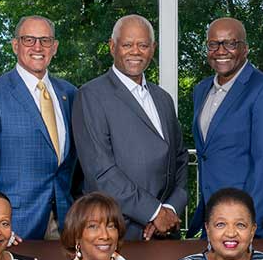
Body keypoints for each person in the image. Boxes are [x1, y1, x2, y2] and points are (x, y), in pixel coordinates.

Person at [72, 14, 188, 241]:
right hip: (118, 231)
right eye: (127, 45)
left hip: (165, 231)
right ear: (112, 47)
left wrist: (170, 210)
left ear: (152, 49)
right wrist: (153, 212)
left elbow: (181, 159)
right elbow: (101, 172)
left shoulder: (163, 98)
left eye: (143, 45)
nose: (135, 51)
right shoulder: (91, 95)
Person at [0, 15, 77, 240]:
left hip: (64, 222)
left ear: (54, 47)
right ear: (15, 46)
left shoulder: (70, 94)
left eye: (45, 40)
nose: (37, 47)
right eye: (28, 40)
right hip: (11, 226)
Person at [189, 17, 263, 238]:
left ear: (245, 49)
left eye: (230, 43)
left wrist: (246, 225)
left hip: (254, 226)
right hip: (214, 221)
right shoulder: (201, 90)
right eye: (213, 44)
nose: (221, 50)